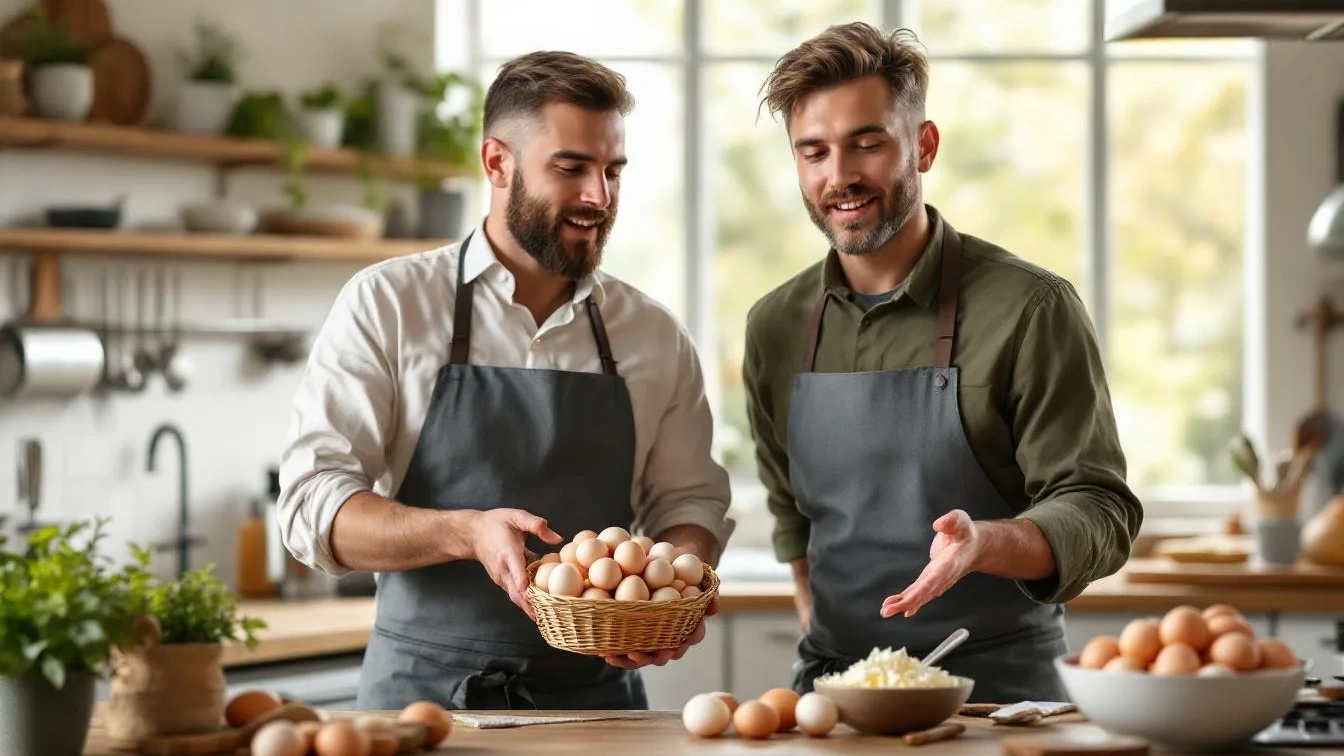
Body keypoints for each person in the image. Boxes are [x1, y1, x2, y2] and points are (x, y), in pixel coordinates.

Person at [277, 50, 734, 711]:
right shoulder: (390, 303)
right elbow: (311, 506)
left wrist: (670, 590)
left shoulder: (652, 334)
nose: (599, 197)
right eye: (571, 168)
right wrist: (464, 532)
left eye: (612, 171)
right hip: (421, 705)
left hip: (596, 710)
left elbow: (689, 504)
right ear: (497, 163)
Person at [743, 22, 1143, 703]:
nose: (839, 176)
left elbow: (1101, 509)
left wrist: (987, 543)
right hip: (836, 698)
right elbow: (792, 515)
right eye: (814, 152)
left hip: (1000, 701)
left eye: (867, 144)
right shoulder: (775, 325)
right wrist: (827, 641)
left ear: (923, 146)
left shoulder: (1030, 308)